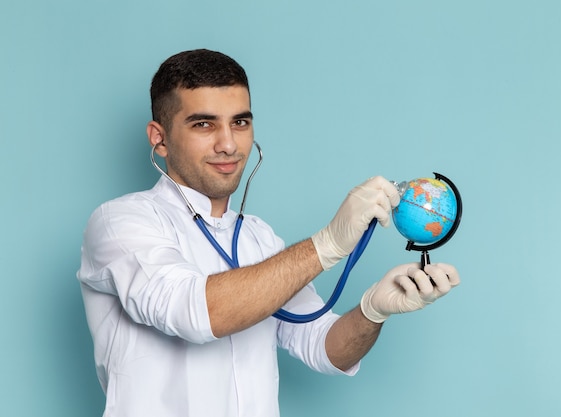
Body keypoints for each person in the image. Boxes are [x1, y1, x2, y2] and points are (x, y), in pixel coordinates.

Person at [77, 49, 460, 417]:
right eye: (203, 124)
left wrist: (373, 310)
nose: (228, 144)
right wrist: (325, 245)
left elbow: (322, 345)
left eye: (240, 122)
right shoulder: (120, 223)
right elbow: (194, 312)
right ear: (158, 138)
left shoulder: (259, 239)